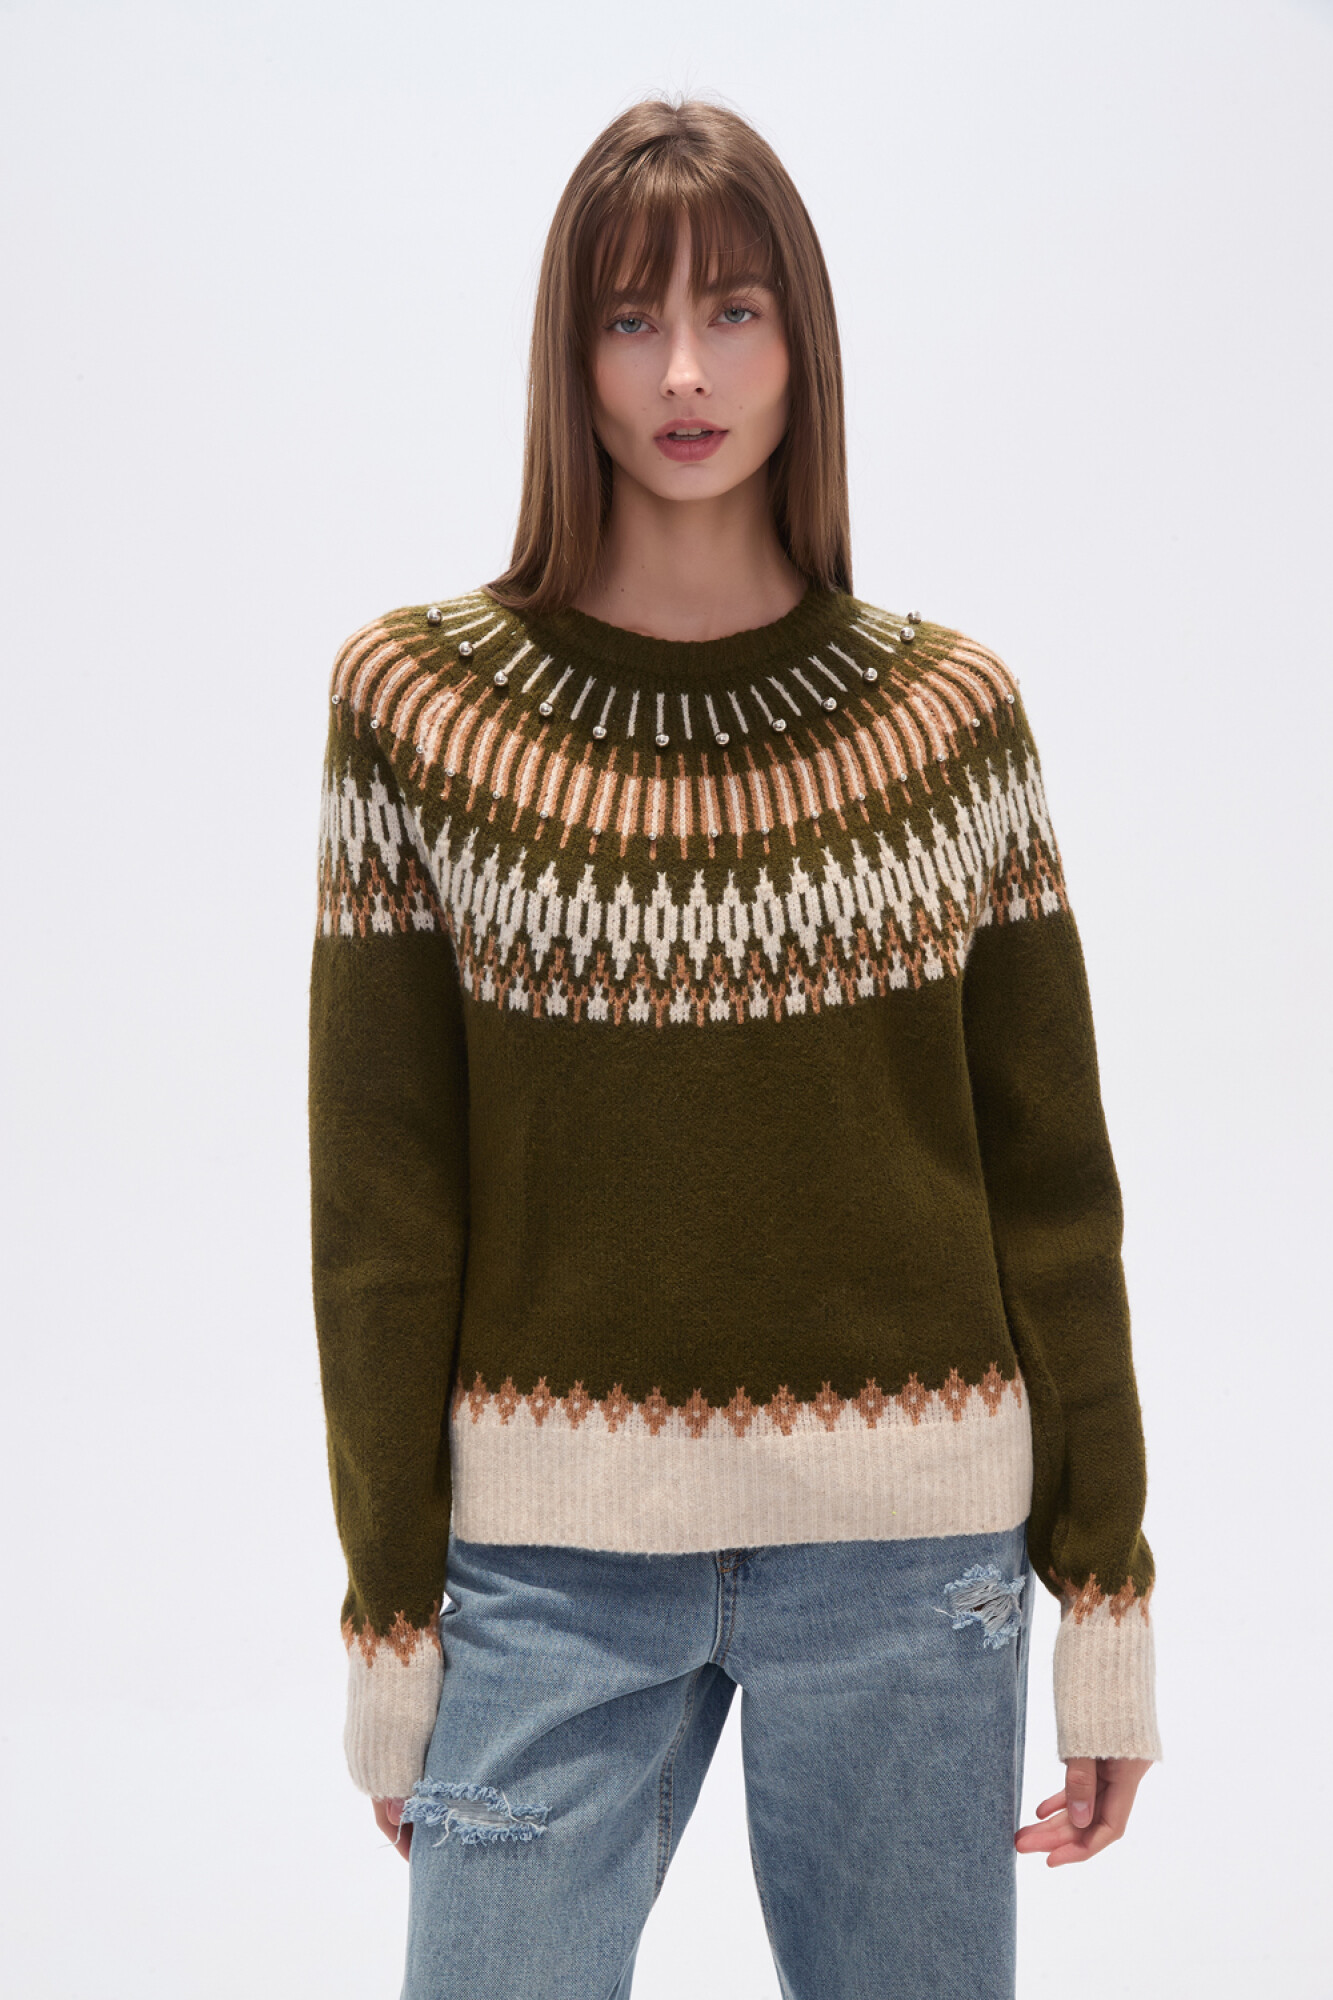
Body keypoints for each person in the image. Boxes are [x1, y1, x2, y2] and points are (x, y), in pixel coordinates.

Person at [309, 95, 1161, 2000]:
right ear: (569, 354)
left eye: (734, 312)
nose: (683, 372)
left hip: (914, 1555)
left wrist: (1102, 1598)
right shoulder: (416, 710)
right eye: (629, 319)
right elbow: (380, 1211)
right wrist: (389, 1622)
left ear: (803, 343)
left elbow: (1052, 1190)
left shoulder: (948, 718)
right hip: (546, 1568)